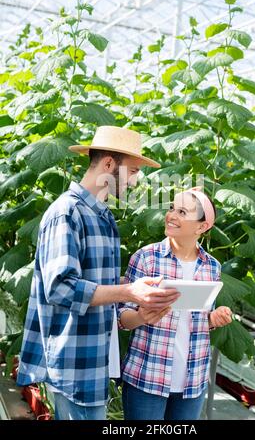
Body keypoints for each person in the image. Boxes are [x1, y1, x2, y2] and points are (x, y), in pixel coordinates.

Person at [17, 125, 180, 420]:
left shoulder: (101, 215)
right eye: (131, 171)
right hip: (75, 361)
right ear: (108, 165)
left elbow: (93, 282)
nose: (134, 181)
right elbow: (62, 287)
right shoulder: (67, 213)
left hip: (94, 358)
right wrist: (129, 291)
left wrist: (137, 285)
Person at [118, 188, 232, 420]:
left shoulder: (212, 267)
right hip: (147, 377)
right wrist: (141, 317)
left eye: (182, 211)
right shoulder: (146, 258)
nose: (171, 215)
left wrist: (214, 318)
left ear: (202, 227)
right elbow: (122, 318)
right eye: (171, 208)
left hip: (193, 380)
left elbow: (201, 319)